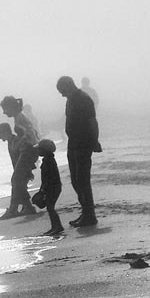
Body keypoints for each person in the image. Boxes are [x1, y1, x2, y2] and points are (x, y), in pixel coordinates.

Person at [56, 75, 101, 227]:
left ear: (68, 86)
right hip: (73, 143)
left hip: (83, 143)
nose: (62, 94)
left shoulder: (84, 99)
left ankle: (90, 215)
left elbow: (92, 121)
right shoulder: (70, 99)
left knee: (82, 180)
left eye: (62, 91)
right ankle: (85, 212)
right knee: (76, 180)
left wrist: (95, 141)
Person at [33, 138, 64, 236]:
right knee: (50, 207)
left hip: (53, 187)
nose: (37, 151)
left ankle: (57, 226)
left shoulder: (48, 161)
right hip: (53, 187)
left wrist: (43, 190)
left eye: (39, 149)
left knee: (50, 207)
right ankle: (55, 226)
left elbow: (49, 178)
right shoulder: (48, 160)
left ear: (44, 150)